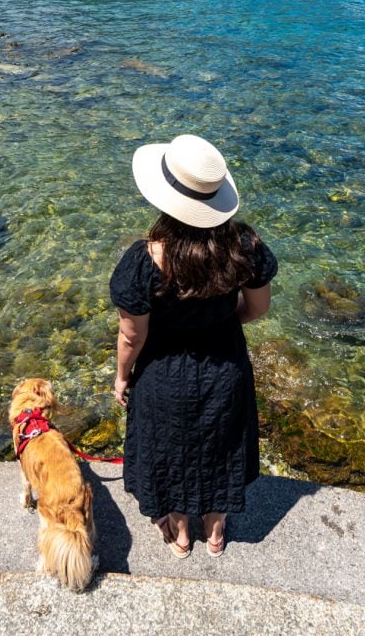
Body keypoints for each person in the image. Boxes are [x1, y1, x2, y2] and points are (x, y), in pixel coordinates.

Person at [110, 133, 277, 558]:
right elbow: (257, 309)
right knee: (222, 443)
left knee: (168, 445)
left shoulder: (145, 260)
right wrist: (218, 322)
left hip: (162, 372)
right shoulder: (244, 247)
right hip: (226, 364)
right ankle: (216, 531)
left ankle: (182, 535)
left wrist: (121, 377)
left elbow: (133, 335)